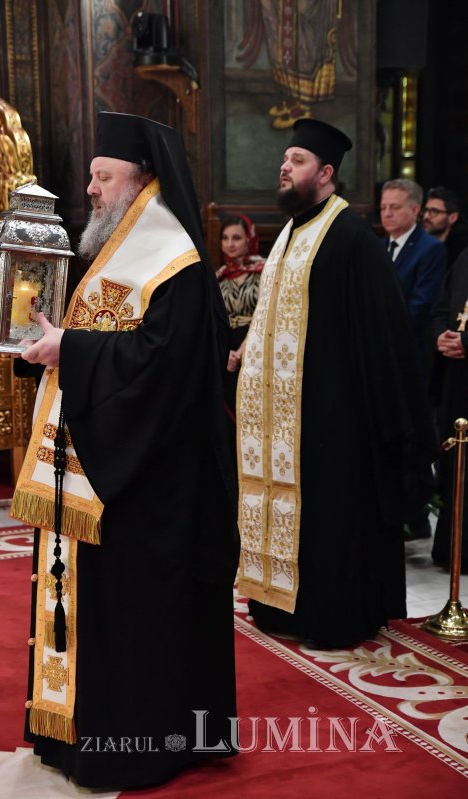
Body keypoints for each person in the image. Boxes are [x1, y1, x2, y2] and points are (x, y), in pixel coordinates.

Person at [11, 112, 239, 791]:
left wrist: (73, 351)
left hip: (149, 486)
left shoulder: (175, 263)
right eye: (92, 176)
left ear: (143, 182)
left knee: (138, 622)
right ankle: (75, 735)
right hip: (101, 465)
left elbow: (161, 370)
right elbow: (100, 342)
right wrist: (44, 348)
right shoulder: (116, 253)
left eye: (102, 177)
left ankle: (140, 747)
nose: (90, 189)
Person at [237, 118, 436, 649]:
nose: (284, 167)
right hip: (282, 420)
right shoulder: (289, 232)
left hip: (334, 417)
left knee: (330, 519)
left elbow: (384, 339)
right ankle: (279, 605)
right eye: (285, 158)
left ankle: (332, 615)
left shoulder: (350, 238)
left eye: (297, 160)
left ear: (325, 173)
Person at [380, 178, 447, 376]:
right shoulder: (377, 246)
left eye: (395, 207)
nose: (387, 213)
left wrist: (377, 328)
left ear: (415, 210)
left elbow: (421, 305)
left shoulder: (431, 249)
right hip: (377, 350)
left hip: (409, 351)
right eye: (383, 207)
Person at [430, 245, 468, 574]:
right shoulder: (465, 257)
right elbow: (441, 307)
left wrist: (466, 342)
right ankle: (452, 549)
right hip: (456, 380)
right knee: (455, 464)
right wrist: (441, 334)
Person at [216, 214, 265, 416]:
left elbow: (266, 314)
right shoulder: (219, 276)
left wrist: (243, 351)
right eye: (225, 238)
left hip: (257, 345)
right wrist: (223, 353)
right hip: (225, 350)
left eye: (237, 238)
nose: (230, 244)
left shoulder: (265, 271)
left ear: (249, 240)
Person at [422, 186, 468, 267]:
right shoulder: (416, 243)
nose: (426, 216)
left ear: (452, 218)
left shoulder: (461, 254)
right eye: (426, 210)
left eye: (434, 211)